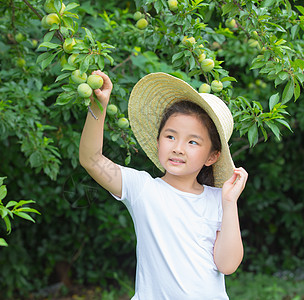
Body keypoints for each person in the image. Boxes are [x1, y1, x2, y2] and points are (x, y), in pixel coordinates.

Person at [79, 71, 248, 299]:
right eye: (170, 136)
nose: (178, 148)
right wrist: (98, 107)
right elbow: (92, 160)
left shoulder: (218, 199)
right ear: (158, 141)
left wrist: (229, 203)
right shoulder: (143, 189)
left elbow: (227, 265)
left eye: (192, 142)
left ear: (212, 156)